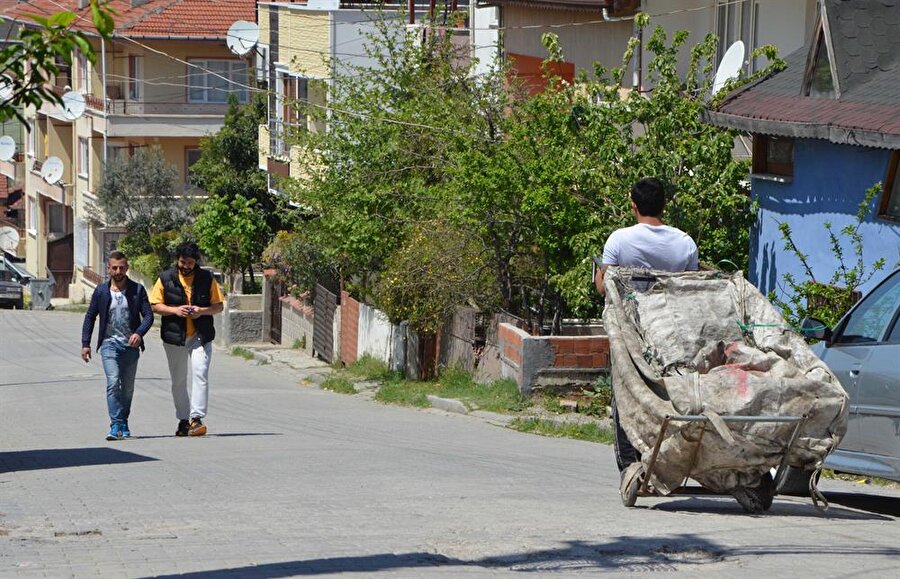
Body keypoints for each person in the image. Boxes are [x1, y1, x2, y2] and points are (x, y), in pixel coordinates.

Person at [594, 177, 698, 501]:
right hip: (672, 334)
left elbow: (603, 286)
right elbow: (690, 287)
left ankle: (631, 467)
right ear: (664, 205)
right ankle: (672, 461)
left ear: (633, 204)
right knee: (670, 398)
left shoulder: (619, 241)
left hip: (631, 335)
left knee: (625, 398)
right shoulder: (684, 243)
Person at [150, 242, 224, 437]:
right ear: (178, 260)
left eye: (190, 262)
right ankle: (183, 420)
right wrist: (175, 310)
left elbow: (218, 306)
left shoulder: (207, 279)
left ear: (196, 262)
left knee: (200, 373)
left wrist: (202, 311)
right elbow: (155, 305)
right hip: (174, 337)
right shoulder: (166, 278)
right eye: (183, 262)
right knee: (178, 380)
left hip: (200, 335)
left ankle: (196, 418)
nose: (186, 266)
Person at [81, 251, 154, 441]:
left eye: (122, 267)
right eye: (115, 268)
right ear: (109, 269)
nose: (118, 271)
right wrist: (85, 344)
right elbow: (90, 317)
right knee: (113, 382)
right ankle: (115, 425)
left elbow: (148, 315)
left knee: (127, 388)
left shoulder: (137, 290)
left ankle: (123, 420)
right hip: (109, 344)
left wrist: (139, 333)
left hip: (131, 346)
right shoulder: (101, 292)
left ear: (127, 268)